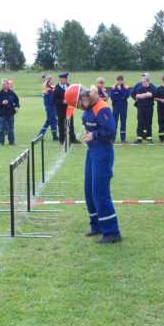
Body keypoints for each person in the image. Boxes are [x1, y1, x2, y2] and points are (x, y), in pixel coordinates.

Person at [63, 83, 122, 244]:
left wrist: (94, 135)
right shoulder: (89, 107)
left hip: (103, 153)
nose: (79, 108)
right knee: (89, 190)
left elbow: (111, 133)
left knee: (100, 192)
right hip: (92, 152)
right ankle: (96, 224)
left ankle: (111, 231)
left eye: (78, 105)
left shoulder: (102, 108)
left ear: (83, 98)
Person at [131, 73, 158, 143]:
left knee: (149, 122)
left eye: (144, 80)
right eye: (142, 80)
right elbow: (136, 95)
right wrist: (145, 95)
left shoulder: (152, 87)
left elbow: (153, 94)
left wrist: (143, 95)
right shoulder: (139, 87)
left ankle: (149, 138)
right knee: (140, 122)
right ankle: (139, 138)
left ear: (148, 81)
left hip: (149, 107)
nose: (142, 82)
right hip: (140, 107)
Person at [53, 72, 79, 145]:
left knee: (70, 124)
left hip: (69, 108)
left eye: (66, 79)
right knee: (61, 124)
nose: (65, 80)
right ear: (60, 79)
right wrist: (62, 101)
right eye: (63, 79)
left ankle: (72, 138)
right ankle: (62, 139)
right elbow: (54, 100)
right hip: (60, 109)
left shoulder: (69, 86)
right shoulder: (56, 88)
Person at [0, 79, 19, 145]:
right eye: (2, 84)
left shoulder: (11, 93)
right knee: (1, 129)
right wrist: (2, 102)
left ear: (7, 85)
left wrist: (16, 106)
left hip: (10, 113)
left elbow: (16, 100)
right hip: (2, 113)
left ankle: (11, 142)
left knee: (11, 128)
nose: (3, 85)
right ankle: (1, 142)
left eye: (4, 84)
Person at [110, 75, 130, 142]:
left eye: (121, 80)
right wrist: (121, 97)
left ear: (123, 80)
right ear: (116, 81)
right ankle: (113, 138)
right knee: (114, 122)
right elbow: (112, 97)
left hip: (123, 107)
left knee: (123, 122)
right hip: (115, 107)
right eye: (118, 80)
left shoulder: (126, 87)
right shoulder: (113, 88)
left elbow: (126, 96)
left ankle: (123, 138)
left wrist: (120, 90)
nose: (120, 82)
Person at [38, 76, 59, 140]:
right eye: (52, 80)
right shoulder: (48, 89)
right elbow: (51, 99)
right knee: (48, 121)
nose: (53, 81)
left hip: (53, 107)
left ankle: (54, 136)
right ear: (49, 81)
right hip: (50, 108)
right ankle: (40, 135)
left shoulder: (51, 88)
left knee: (54, 121)